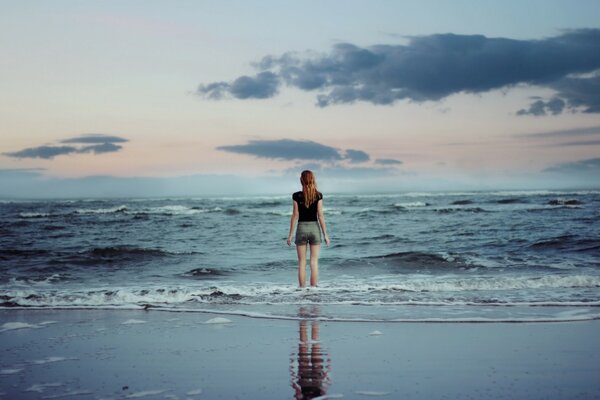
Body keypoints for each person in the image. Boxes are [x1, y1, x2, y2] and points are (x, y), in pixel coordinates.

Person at [287, 170, 330, 287]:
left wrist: (290, 235)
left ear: (301, 180)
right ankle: (313, 289)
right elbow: (320, 215)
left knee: (302, 262)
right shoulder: (318, 195)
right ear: (313, 179)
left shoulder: (296, 196)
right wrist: (325, 234)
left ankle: (301, 289)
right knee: (314, 262)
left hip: (301, 228)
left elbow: (295, 215)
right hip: (315, 229)